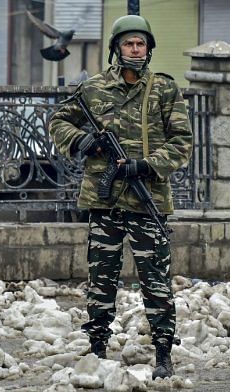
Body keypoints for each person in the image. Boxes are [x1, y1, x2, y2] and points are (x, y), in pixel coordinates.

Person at [48, 15, 192, 380]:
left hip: (149, 201)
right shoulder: (94, 89)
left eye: (141, 43)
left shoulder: (163, 89)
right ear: (116, 48)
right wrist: (84, 141)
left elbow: (182, 142)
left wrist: (144, 165)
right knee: (101, 280)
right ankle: (97, 348)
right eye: (129, 43)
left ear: (148, 49)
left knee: (156, 282)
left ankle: (163, 354)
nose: (135, 49)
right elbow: (58, 121)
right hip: (105, 201)